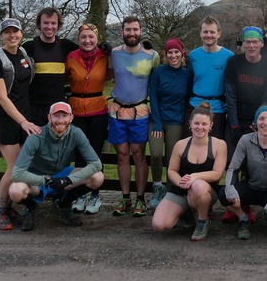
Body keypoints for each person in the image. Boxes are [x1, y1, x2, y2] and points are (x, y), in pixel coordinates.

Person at [8, 102, 105, 231]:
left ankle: (64, 204)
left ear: (71, 117)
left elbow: (96, 164)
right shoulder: (36, 135)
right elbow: (17, 173)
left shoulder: (76, 133)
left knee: (97, 177)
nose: (60, 120)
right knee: (15, 191)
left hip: (62, 176)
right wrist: (46, 180)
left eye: (64, 116)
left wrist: (67, 180)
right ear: (49, 118)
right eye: (56, 116)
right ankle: (31, 208)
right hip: (38, 179)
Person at [0, 18, 40, 230]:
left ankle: (10, 207)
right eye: (7, 32)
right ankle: (1, 211)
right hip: (5, 118)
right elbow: (2, 98)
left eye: (15, 32)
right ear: (1, 35)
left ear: (21, 33)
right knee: (15, 167)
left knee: (23, 165)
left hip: (23, 116)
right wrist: (23, 121)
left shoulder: (23, 54)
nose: (12, 36)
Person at [152, 102, 228, 241]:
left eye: (204, 124)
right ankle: (185, 213)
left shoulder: (219, 145)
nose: (200, 127)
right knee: (159, 225)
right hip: (181, 190)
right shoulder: (180, 145)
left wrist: (194, 177)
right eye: (196, 123)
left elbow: (217, 173)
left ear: (211, 125)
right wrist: (180, 182)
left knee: (197, 185)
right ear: (190, 124)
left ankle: (202, 221)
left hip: (205, 191)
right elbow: (172, 170)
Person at [108, 16, 160, 217]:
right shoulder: (113, 53)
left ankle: (140, 199)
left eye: (135, 29)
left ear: (141, 31)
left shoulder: (151, 55)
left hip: (140, 112)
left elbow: (157, 82)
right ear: (122, 32)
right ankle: (125, 197)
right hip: (117, 111)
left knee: (138, 153)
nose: (132, 33)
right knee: (121, 154)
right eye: (128, 29)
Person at [218, 106, 267, 239]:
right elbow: (233, 168)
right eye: (261, 118)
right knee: (224, 194)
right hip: (250, 186)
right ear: (255, 122)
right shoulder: (245, 140)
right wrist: (230, 189)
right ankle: (243, 218)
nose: (265, 122)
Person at [65, 23, 110, 215]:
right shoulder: (71, 57)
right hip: (76, 109)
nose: (87, 40)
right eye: (83, 37)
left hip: (98, 109)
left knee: (95, 153)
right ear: (79, 39)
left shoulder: (105, 55)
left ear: (97, 38)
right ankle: (79, 194)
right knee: (79, 154)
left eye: (91, 36)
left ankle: (94, 195)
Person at [148, 38, 190, 209]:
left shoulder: (187, 73)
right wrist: (157, 123)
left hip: (176, 122)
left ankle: (172, 191)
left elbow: (187, 98)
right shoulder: (158, 72)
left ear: (182, 54)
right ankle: (158, 187)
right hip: (157, 120)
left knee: (173, 158)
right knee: (157, 154)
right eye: (170, 52)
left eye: (176, 52)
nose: (173, 55)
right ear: (165, 55)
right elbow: (154, 98)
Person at [21, 7, 79, 126]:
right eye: (46, 23)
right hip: (34, 108)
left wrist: (105, 49)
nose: (50, 26)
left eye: (53, 23)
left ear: (58, 25)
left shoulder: (66, 45)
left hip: (58, 109)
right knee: (36, 144)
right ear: (39, 24)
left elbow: (88, 51)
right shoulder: (28, 46)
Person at [187, 16, 234, 140]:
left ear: (219, 34)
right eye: (205, 31)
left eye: (212, 32)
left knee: (214, 149)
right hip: (195, 107)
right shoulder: (193, 56)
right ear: (200, 34)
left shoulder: (228, 56)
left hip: (217, 109)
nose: (209, 35)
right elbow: (189, 80)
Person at [225, 26, 267, 146]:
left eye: (255, 42)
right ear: (243, 44)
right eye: (248, 42)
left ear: (261, 44)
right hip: (236, 116)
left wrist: (254, 125)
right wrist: (234, 125)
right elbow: (230, 96)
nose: (251, 46)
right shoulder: (233, 62)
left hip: (258, 118)